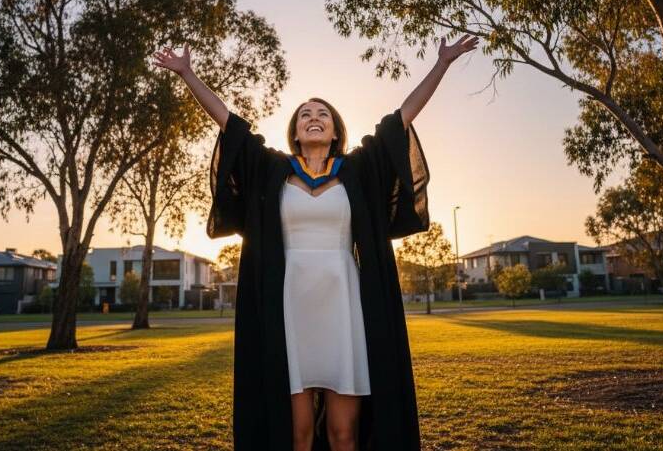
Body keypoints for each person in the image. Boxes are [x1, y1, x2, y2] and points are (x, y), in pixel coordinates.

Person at [153, 35, 478, 451]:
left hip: (344, 304)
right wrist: (187, 74)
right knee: (298, 434)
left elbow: (402, 119)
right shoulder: (273, 171)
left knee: (345, 435)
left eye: (322, 113)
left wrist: (443, 64)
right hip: (288, 308)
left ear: (336, 129)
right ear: (294, 132)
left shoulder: (356, 171)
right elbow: (229, 124)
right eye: (305, 113)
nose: (313, 117)